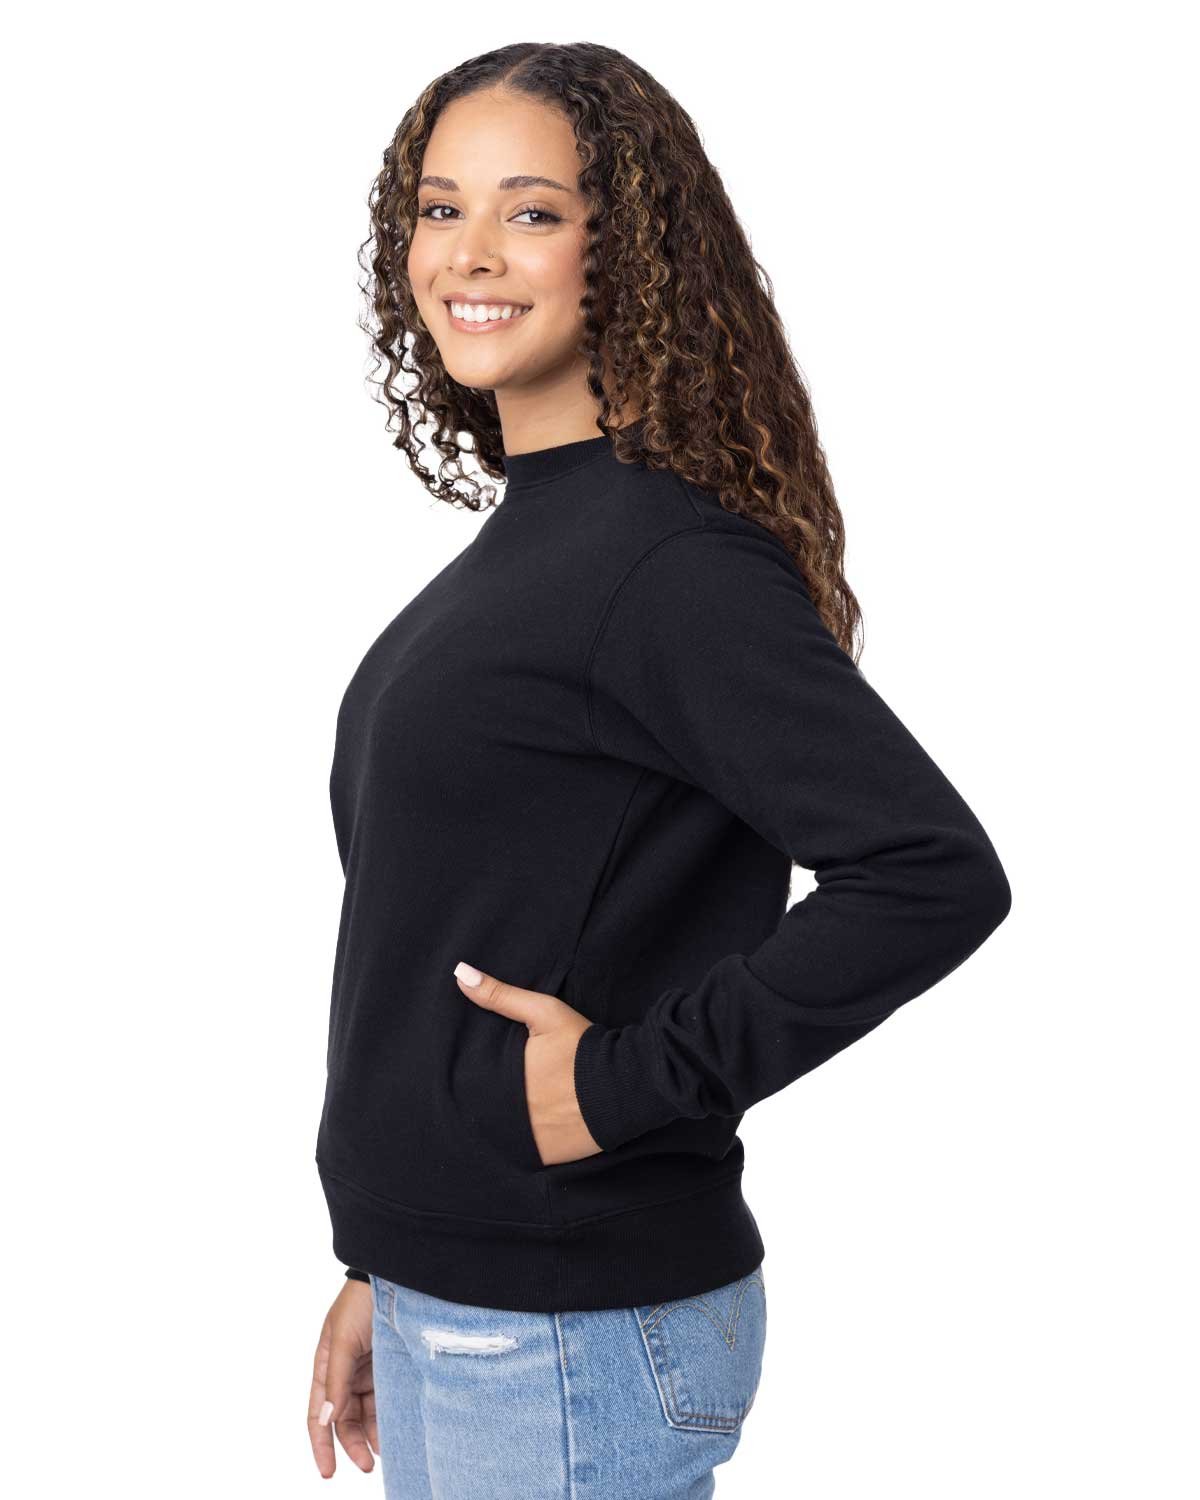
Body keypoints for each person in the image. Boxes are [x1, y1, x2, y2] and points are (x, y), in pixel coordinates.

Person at [305, 42, 1011, 1500]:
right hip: (477, 1301)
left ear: (624, 248)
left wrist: (627, 1085)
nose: (470, 254)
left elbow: (930, 874)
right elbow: (449, 929)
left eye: (533, 211)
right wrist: (386, 1259)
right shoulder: (539, 544)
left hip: (562, 1329)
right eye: (440, 209)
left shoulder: (664, 564)